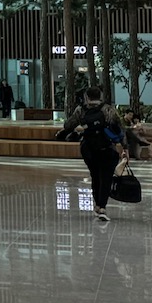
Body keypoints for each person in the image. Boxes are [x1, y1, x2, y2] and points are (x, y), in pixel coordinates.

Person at [60, 86, 126, 222]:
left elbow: (67, 125)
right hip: (107, 147)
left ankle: (97, 204)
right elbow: (120, 128)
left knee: (95, 176)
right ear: (100, 96)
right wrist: (124, 147)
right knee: (106, 177)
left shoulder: (81, 110)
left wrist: (81, 128)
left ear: (87, 97)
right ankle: (102, 207)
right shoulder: (108, 109)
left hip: (88, 148)